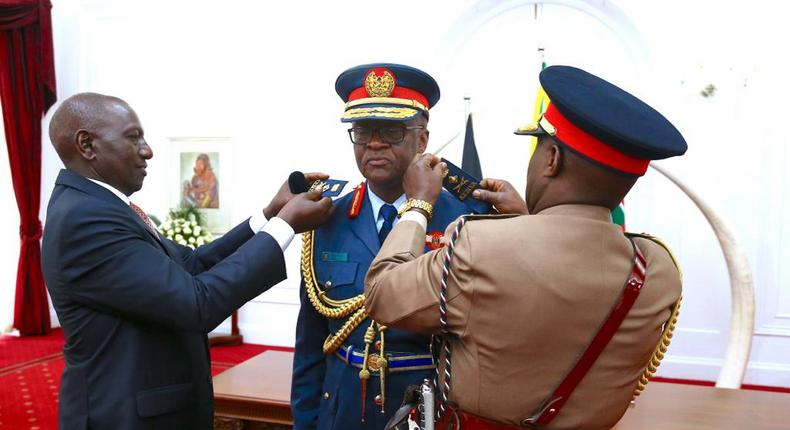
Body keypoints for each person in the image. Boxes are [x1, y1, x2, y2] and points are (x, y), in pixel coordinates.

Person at [365, 65, 687, 430]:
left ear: (552, 160)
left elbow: (382, 293)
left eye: (538, 147)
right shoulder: (657, 270)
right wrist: (527, 218)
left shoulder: (479, 244)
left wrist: (417, 205)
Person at [41, 92, 333, 430]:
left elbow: (192, 264)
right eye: (133, 137)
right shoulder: (86, 218)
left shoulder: (100, 207)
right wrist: (286, 226)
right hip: (121, 416)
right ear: (87, 145)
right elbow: (197, 304)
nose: (148, 150)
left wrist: (269, 215)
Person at [290, 63, 472, 430]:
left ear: (422, 140)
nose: (374, 143)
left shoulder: (467, 219)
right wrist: (306, 422)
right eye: (362, 131)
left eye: (391, 131)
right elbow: (311, 343)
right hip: (341, 409)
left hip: (430, 407)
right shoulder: (326, 216)